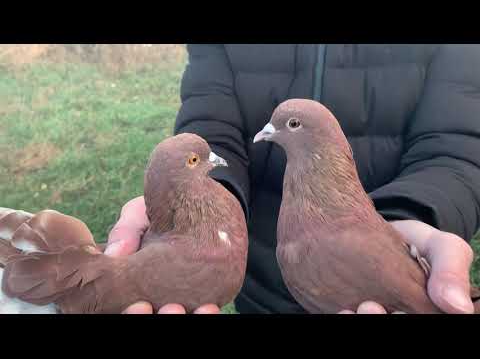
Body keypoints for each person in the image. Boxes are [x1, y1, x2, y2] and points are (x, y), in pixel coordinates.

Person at [105, 44, 480, 314]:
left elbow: (455, 143)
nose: (268, 130)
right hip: (255, 280)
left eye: (290, 125)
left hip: (381, 251)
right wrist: (199, 203)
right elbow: (211, 125)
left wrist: (412, 217)